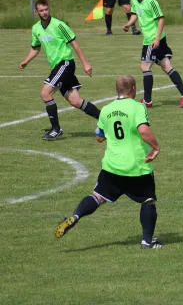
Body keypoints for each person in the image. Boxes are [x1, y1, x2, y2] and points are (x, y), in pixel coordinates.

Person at [55, 75, 163, 249]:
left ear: (117, 90)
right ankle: (147, 242)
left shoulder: (106, 109)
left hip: (111, 167)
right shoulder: (137, 107)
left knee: (98, 196)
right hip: (136, 166)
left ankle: (75, 216)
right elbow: (143, 130)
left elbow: (99, 137)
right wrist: (156, 147)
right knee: (147, 200)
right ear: (134, 89)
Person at [19, 0, 101, 140]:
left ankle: (56, 129)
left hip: (65, 64)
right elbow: (35, 48)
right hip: (57, 67)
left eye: (46, 9)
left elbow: (74, 44)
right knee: (75, 101)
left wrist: (85, 64)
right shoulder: (36, 28)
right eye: (41, 10)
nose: (44, 12)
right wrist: (26, 61)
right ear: (36, 12)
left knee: (45, 93)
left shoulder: (59, 25)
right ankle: (104, 119)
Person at [123, 0, 183, 108]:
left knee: (145, 67)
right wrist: (128, 24)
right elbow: (135, 14)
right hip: (152, 39)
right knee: (166, 65)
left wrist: (156, 38)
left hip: (153, 39)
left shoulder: (151, 2)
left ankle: (147, 101)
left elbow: (161, 19)